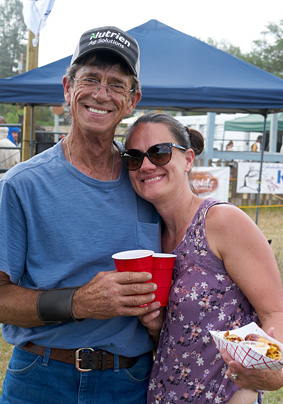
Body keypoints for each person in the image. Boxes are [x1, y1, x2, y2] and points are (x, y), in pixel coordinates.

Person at [0, 26, 162, 404]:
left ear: (132, 99)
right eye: (89, 78)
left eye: (116, 85)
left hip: (131, 380)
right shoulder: (22, 185)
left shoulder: (148, 181)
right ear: (67, 88)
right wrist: (78, 302)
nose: (101, 94)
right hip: (41, 379)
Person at [121, 113, 283, 404]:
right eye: (134, 157)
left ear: (188, 159)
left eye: (159, 153)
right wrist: (156, 325)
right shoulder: (151, 237)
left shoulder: (221, 221)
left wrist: (262, 381)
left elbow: (276, 315)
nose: (147, 165)